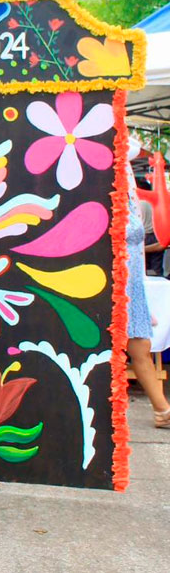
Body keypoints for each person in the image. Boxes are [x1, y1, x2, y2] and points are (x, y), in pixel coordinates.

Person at [126, 170, 170, 426]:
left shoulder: (130, 196)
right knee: (136, 348)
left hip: (131, 283)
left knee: (140, 347)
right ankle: (162, 410)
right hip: (114, 281)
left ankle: (162, 410)